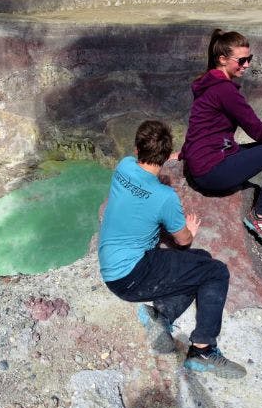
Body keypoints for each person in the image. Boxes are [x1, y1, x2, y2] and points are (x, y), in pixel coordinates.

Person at [98, 120, 246, 379]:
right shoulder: (164, 196)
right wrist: (190, 230)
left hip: (112, 267)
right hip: (134, 274)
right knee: (215, 272)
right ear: (167, 156)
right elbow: (183, 241)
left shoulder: (123, 167)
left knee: (199, 261)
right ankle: (203, 349)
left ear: (136, 148)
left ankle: (161, 317)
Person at [180, 29, 262, 250]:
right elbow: (256, 130)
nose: (247, 64)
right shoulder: (224, 90)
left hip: (211, 160)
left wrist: (183, 154)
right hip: (213, 172)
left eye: (250, 59)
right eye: (242, 60)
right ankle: (261, 215)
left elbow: (199, 126)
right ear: (222, 59)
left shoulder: (207, 84)